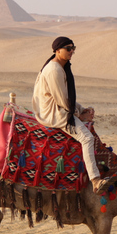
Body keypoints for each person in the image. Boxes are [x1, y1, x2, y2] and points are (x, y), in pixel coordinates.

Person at [32, 36, 108, 193]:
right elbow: (62, 101)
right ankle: (95, 180)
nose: (72, 51)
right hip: (54, 113)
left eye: (73, 48)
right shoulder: (54, 70)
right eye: (68, 48)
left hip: (59, 107)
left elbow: (66, 97)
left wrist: (81, 110)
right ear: (57, 50)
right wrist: (79, 116)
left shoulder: (59, 67)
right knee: (87, 138)